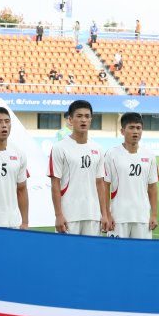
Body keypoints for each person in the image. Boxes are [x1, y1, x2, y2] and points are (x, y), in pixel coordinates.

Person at [49, 100, 108, 236]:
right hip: (69, 215)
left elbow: (100, 183)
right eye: (79, 116)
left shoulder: (98, 149)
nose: (83, 120)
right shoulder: (59, 148)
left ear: (91, 120)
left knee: (91, 256)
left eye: (87, 116)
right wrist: (58, 215)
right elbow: (55, 184)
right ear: (70, 120)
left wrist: (104, 214)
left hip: (93, 215)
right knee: (66, 256)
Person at [103, 112, 158, 239]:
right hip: (118, 217)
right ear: (122, 131)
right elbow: (105, 186)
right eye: (131, 128)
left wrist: (154, 215)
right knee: (117, 256)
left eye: (138, 128)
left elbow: (152, 187)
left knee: (141, 256)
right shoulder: (111, 154)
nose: (136, 132)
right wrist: (107, 214)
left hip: (142, 217)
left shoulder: (149, 155)